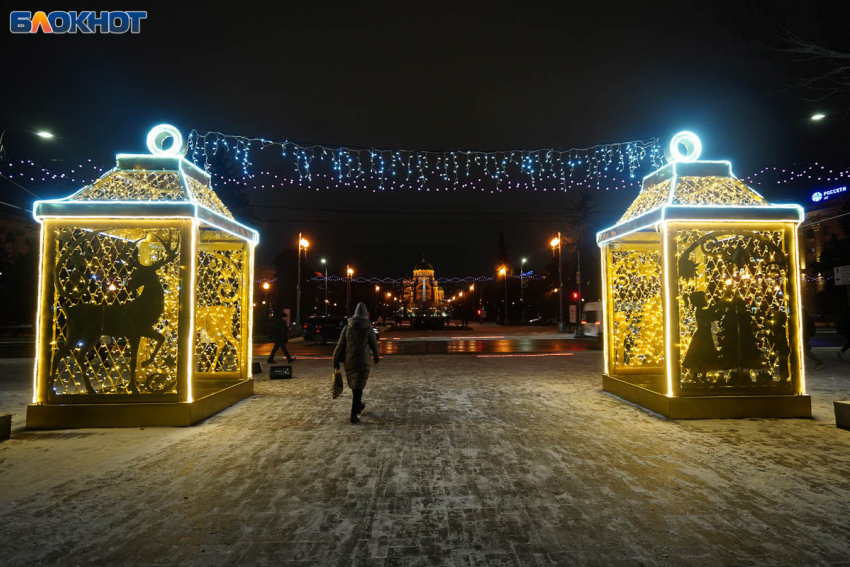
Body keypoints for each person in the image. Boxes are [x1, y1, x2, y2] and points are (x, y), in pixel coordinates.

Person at [333, 302, 380, 424]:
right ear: (365, 314)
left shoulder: (347, 327)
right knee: (358, 386)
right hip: (363, 360)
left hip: (350, 360)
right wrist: (376, 356)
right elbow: (374, 344)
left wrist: (335, 359)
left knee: (355, 385)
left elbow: (339, 345)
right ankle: (354, 414)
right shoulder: (368, 328)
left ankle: (358, 405)